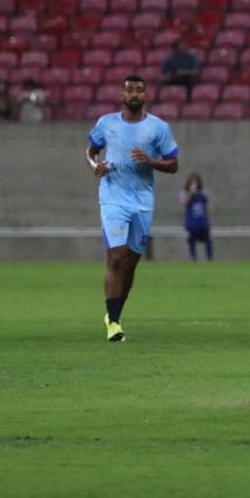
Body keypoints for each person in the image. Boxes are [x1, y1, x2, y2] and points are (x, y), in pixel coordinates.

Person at [87, 75, 179, 342]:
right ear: (122, 95)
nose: (135, 95)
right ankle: (113, 322)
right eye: (130, 90)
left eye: (140, 90)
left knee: (130, 263)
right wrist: (95, 166)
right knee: (115, 257)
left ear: (146, 95)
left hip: (142, 201)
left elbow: (173, 164)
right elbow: (91, 151)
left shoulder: (158, 128)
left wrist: (150, 161)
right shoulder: (106, 124)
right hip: (112, 197)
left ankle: (115, 313)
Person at [180, 173, 212, 261]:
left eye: (195, 181)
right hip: (192, 224)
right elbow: (184, 202)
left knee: (208, 241)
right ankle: (193, 258)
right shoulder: (185, 193)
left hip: (202, 223)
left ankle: (210, 259)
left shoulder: (203, 193)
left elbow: (208, 205)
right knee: (191, 242)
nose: (194, 184)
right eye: (192, 181)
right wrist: (191, 193)